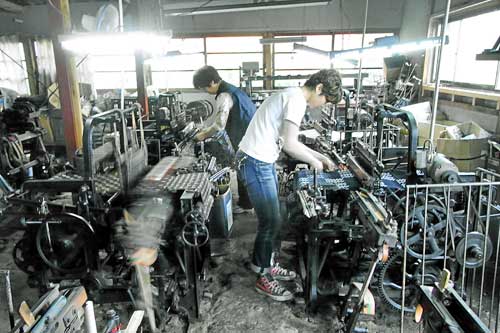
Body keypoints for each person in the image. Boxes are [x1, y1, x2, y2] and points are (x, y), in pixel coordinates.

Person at [237, 69, 343, 301]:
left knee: (278, 214)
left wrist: (320, 156)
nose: (322, 105)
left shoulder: (292, 95)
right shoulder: (296, 100)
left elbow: (289, 141)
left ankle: (264, 263)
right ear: (319, 88)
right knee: (271, 220)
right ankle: (263, 278)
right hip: (256, 161)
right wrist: (315, 161)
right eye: (325, 99)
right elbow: (291, 146)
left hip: (260, 160)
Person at [193, 66, 256, 213]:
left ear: (213, 82)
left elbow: (220, 124)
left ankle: (246, 205)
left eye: (205, 88)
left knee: (242, 166)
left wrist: (202, 135)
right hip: (249, 132)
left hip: (244, 134)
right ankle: (248, 202)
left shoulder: (224, 95)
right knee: (245, 167)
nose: (206, 92)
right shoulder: (233, 89)